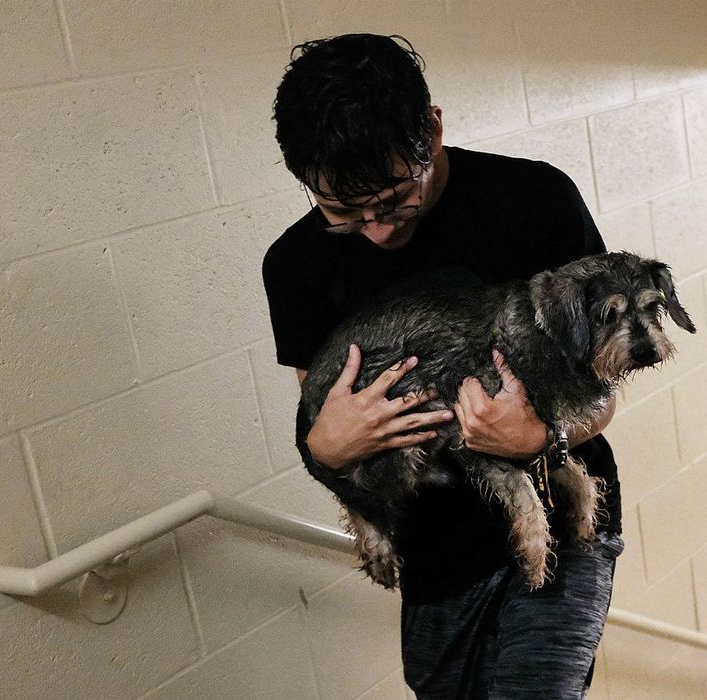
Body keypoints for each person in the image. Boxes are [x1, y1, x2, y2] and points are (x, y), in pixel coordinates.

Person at [262, 34, 625, 698]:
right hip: (432, 557)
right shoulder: (294, 266)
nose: (374, 227)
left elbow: (601, 395)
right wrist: (326, 448)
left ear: (431, 127)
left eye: (395, 197)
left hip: (557, 524)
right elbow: (323, 427)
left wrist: (542, 436)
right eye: (342, 212)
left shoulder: (534, 201)